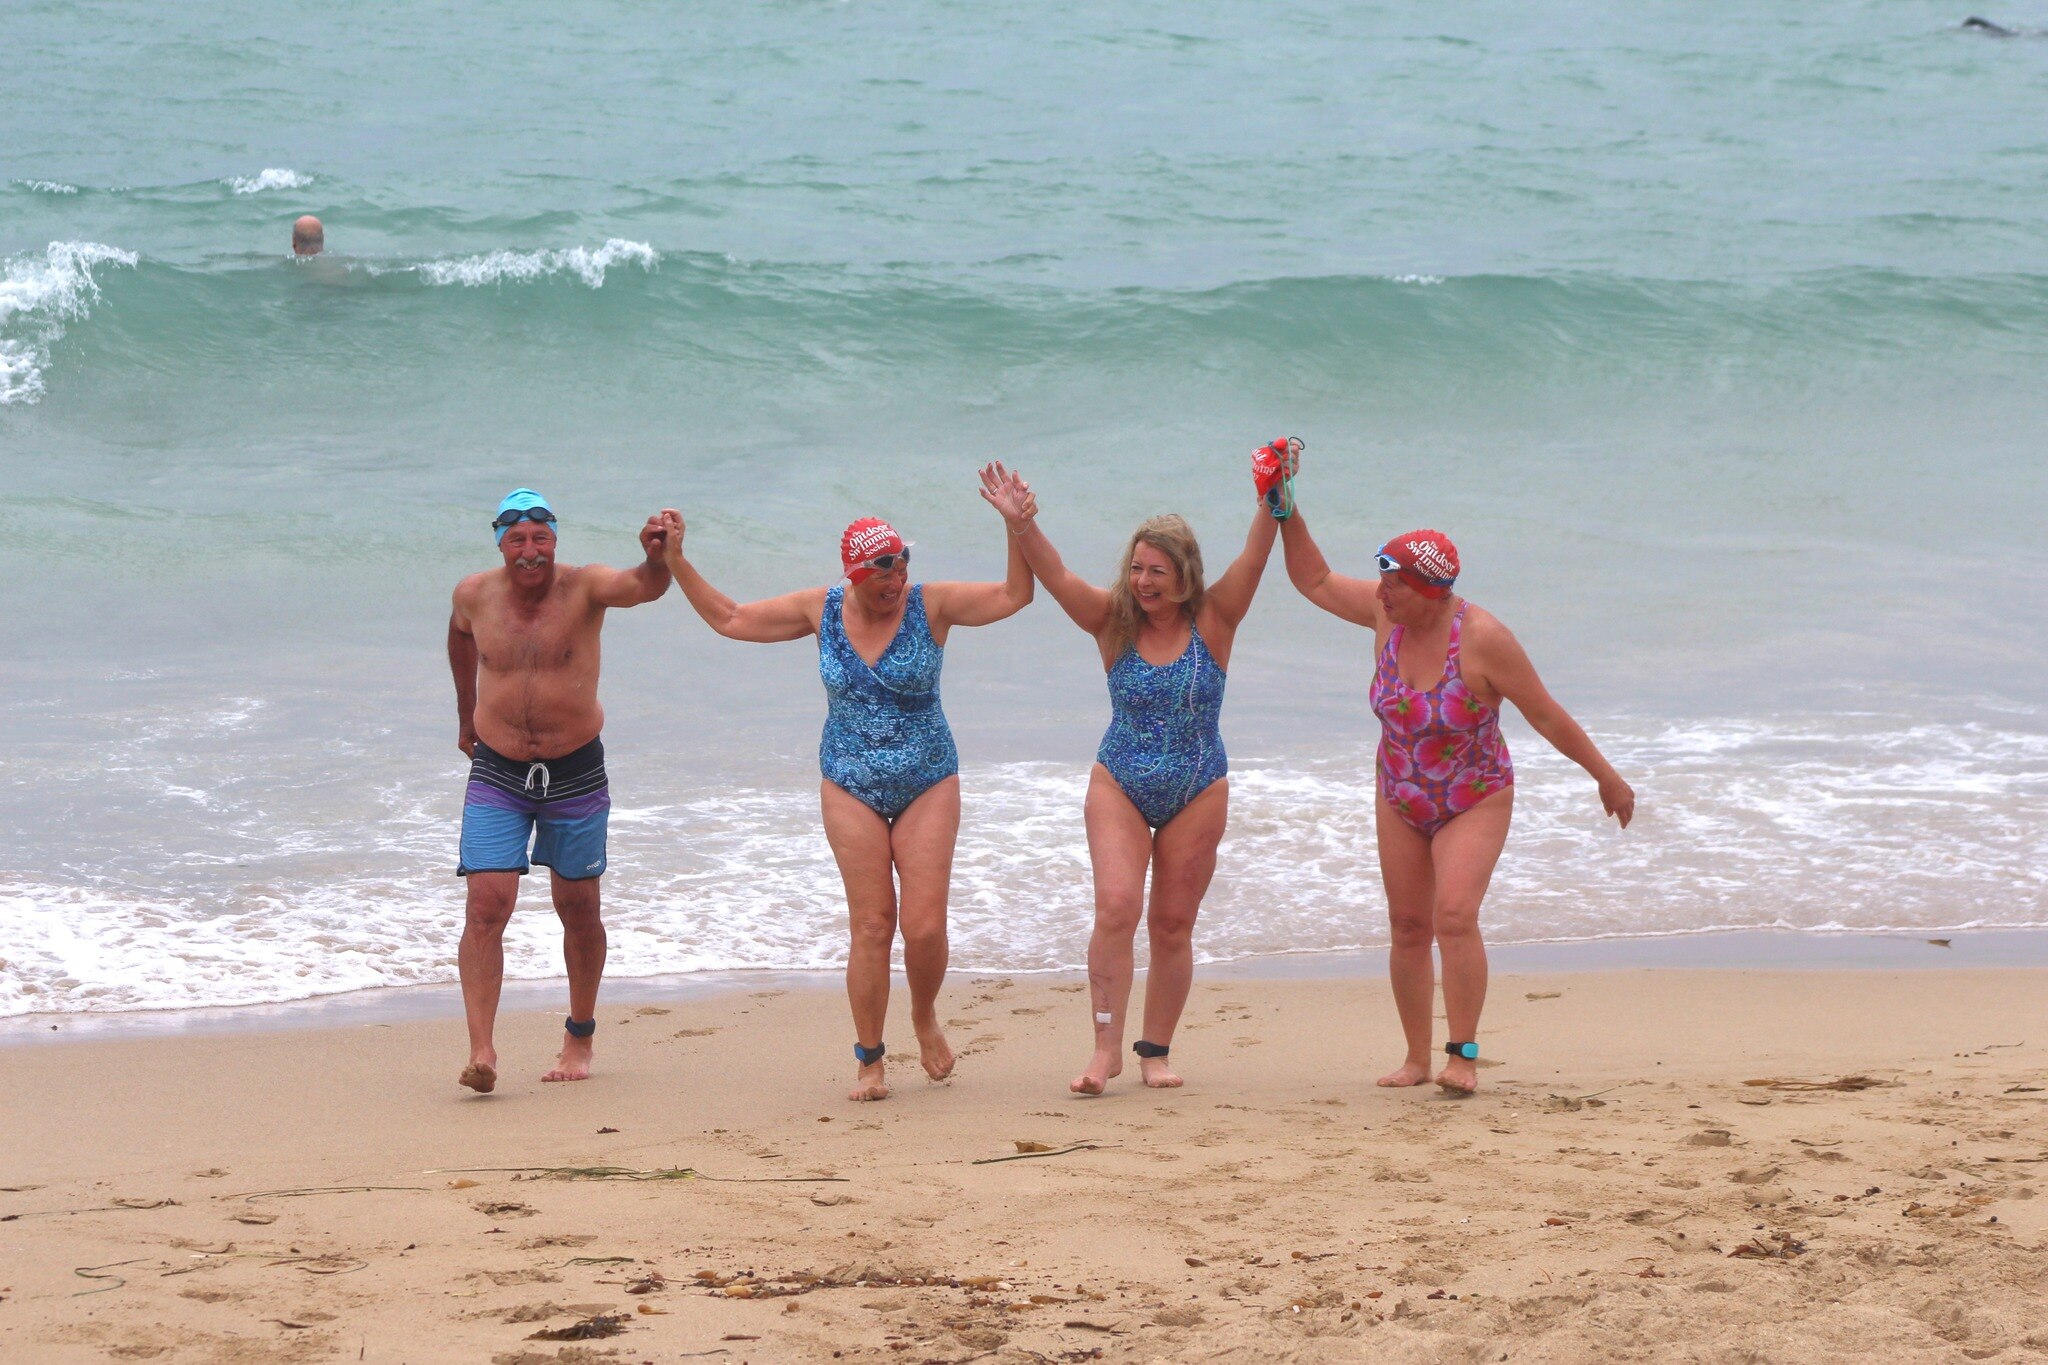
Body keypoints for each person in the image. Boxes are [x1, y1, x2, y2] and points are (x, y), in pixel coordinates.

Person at [656, 469, 1031, 1101]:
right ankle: (870, 1059)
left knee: (924, 927)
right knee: (871, 925)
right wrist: (676, 560)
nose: (897, 580)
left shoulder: (930, 605)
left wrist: (1016, 526)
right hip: (849, 781)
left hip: (928, 777)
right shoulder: (819, 609)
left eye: (902, 564)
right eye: (883, 571)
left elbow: (1015, 595)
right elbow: (729, 618)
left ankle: (923, 1015)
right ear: (854, 576)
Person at [1276, 477, 1635, 1095]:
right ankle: (1416, 1059)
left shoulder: (1483, 638)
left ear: (1429, 591)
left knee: (1454, 915)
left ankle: (1462, 1055)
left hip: (1475, 794)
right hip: (1400, 792)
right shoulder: (1382, 615)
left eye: (1395, 582)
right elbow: (1314, 581)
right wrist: (1284, 508)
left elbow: (1545, 713)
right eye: (1382, 579)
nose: (1381, 591)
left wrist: (1606, 776)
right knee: (1408, 925)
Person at [979, 444, 1287, 1095]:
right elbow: (1057, 574)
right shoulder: (1110, 619)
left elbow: (1255, 556)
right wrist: (1020, 522)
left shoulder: (1217, 616)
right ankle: (1103, 1050)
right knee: (1117, 906)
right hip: (1119, 779)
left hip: (1198, 785)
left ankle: (1154, 1051)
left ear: (1186, 574)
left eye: (1158, 570)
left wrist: (1273, 492)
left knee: (1172, 923)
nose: (1144, 581)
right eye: (1137, 568)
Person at [447, 489, 672, 1094]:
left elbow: (644, 587)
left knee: (579, 908)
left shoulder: (584, 587)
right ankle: (483, 1051)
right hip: (498, 770)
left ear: (554, 541)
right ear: (501, 544)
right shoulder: (474, 594)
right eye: (516, 539)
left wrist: (656, 556)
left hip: (574, 771)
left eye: (539, 538)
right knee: (486, 906)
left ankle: (579, 1035)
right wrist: (467, 716)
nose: (529, 551)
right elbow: (460, 636)